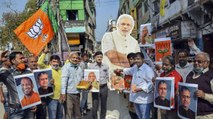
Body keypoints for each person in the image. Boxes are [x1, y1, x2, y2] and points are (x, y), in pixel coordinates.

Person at [120, 52, 154, 119]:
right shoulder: (135, 67)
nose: (136, 61)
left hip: (144, 100)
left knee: (144, 117)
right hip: (136, 98)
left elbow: (152, 84)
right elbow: (128, 71)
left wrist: (141, 89)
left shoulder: (148, 70)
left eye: (138, 59)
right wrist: (120, 70)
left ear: (143, 60)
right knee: (139, 116)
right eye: (135, 59)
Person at [0, 51, 34, 118]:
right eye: (21, 58)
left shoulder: (28, 72)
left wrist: (34, 104)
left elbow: (33, 90)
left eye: (23, 58)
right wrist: (0, 60)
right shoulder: (7, 73)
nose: (23, 60)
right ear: (13, 61)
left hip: (29, 109)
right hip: (15, 110)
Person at [38, 47, 64, 119]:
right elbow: (39, 63)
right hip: (52, 98)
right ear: (50, 62)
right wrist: (44, 53)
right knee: (52, 116)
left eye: (57, 62)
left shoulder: (60, 70)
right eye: (54, 61)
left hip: (61, 97)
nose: (55, 63)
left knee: (60, 116)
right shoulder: (47, 68)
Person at [186, 52, 213, 118]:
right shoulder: (190, 75)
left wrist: (204, 96)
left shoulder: (211, 76)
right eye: (194, 61)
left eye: (199, 61)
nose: (196, 63)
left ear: (207, 63)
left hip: (205, 115)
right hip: (190, 114)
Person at [60, 52, 83, 119]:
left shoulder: (79, 68)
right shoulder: (66, 67)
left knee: (77, 113)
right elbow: (64, 81)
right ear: (69, 58)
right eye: (73, 57)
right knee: (69, 113)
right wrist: (63, 93)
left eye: (76, 58)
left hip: (77, 93)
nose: (75, 59)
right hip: (68, 94)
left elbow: (81, 80)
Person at [88, 51, 109, 119]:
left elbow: (108, 76)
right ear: (95, 57)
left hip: (104, 87)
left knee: (104, 105)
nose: (99, 58)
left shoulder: (106, 66)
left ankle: (102, 117)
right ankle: (95, 117)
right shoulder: (91, 66)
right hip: (95, 87)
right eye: (98, 57)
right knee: (95, 104)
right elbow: (88, 77)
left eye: (101, 57)